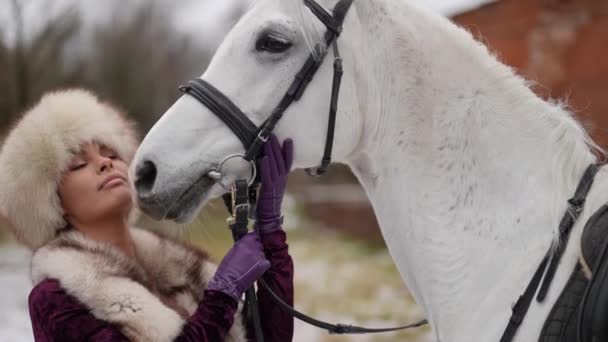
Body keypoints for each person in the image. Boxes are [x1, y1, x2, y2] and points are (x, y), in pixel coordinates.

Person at [0, 89, 294, 341]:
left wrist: (270, 233)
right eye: (78, 163)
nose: (105, 162)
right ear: (50, 202)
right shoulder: (55, 300)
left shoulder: (181, 268)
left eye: (111, 154)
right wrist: (223, 295)